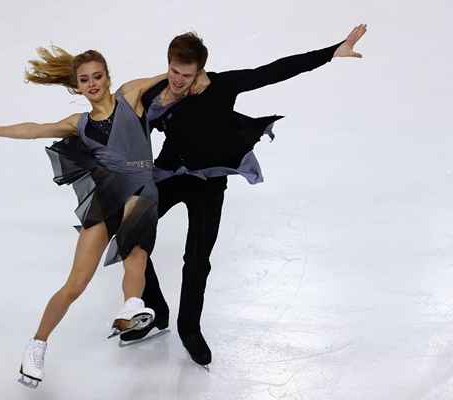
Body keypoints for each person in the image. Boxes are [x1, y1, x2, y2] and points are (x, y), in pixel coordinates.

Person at [119, 24, 368, 367]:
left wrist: (331, 52)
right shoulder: (159, 92)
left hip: (210, 183)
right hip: (169, 175)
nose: (177, 79)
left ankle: (188, 327)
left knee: (196, 260)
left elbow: (275, 70)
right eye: (173, 71)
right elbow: (125, 121)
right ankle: (155, 311)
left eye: (185, 74)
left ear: (200, 70)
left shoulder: (223, 86)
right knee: (126, 232)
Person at [0, 46, 204, 387]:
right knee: (75, 285)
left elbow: (172, 76)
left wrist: (197, 78)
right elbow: (35, 129)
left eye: (97, 76)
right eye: (84, 80)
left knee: (136, 255)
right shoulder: (79, 124)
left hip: (142, 192)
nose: (92, 84)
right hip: (106, 201)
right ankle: (37, 344)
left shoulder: (130, 96)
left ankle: (131, 305)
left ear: (108, 76)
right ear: (77, 87)